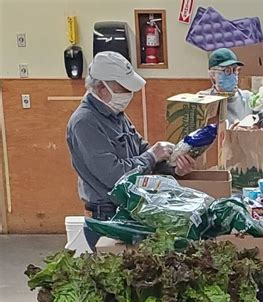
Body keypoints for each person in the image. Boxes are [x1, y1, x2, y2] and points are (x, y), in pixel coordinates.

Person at [67, 51, 194, 251]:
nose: (129, 94)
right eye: (124, 89)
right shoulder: (85, 122)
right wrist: (152, 155)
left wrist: (173, 165)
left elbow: (140, 149)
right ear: (101, 88)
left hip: (129, 211)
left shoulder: (116, 115)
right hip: (106, 220)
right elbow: (115, 175)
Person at [201, 48, 263, 128]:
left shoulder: (247, 98)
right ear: (212, 74)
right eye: (227, 71)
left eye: (235, 70)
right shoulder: (203, 100)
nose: (233, 75)